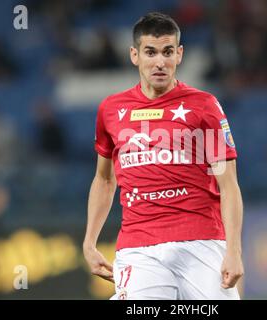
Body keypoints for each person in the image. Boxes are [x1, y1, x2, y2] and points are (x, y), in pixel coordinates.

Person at [83, 12, 244, 300]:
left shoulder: (205, 106)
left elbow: (228, 184)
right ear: (135, 55)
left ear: (179, 54)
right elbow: (105, 180)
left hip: (202, 240)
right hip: (138, 246)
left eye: (168, 52)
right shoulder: (110, 109)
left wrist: (233, 250)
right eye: (150, 52)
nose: (160, 62)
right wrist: (89, 242)